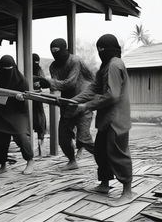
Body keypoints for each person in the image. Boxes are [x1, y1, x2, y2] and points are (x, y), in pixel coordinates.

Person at [67, 34, 133, 206]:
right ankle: (104, 184)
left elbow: (112, 95)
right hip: (106, 119)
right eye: (99, 49)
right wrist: (76, 100)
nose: (101, 52)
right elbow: (94, 88)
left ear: (111, 49)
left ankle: (127, 192)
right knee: (101, 152)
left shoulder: (115, 65)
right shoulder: (105, 66)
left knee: (118, 154)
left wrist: (86, 106)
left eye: (103, 49)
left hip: (117, 119)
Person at [38, 38, 94, 170]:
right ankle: (72, 161)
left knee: (84, 137)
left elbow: (70, 82)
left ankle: (104, 158)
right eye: (52, 52)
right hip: (67, 103)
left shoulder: (75, 61)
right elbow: (56, 87)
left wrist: (48, 82)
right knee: (63, 136)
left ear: (65, 49)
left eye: (57, 51)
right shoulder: (53, 66)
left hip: (83, 101)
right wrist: (43, 87)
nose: (55, 54)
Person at [0, 55, 34, 175]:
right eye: (4, 68)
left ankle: (30, 161)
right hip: (0, 112)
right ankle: (2, 164)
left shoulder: (22, 81)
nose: (7, 71)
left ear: (14, 67)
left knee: (22, 136)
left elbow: (25, 99)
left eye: (9, 68)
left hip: (17, 113)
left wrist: (19, 98)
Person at [32, 53, 47, 156]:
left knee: (40, 120)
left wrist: (39, 83)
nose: (35, 64)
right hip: (28, 97)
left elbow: (44, 81)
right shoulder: (25, 69)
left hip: (37, 98)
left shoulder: (39, 70)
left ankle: (40, 144)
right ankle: (34, 145)